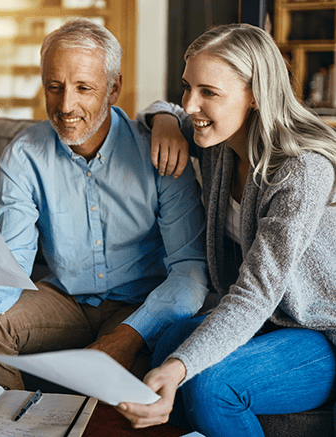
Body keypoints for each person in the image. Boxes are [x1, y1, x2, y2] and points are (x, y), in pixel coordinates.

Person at [0, 18, 209, 390]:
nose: (66, 105)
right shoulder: (23, 156)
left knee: (131, 383)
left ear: (114, 87)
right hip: (64, 298)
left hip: (139, 302)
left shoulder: (160, 152)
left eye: (83, 88)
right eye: (54, 87)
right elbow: (13, 260)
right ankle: (14, 430)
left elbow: (190, 270)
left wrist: (128, 335)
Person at [116, 23, 336, 437]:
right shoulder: (219, 142)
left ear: (254, 96)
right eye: (187, 88)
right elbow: (164, 109)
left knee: (211, 383)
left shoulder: (302, 171)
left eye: (208, 93)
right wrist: (164, 119)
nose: (191, 104)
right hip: (271, 321)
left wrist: (183, 368)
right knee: (169, 340)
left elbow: (256, 292)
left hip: (319, 332)